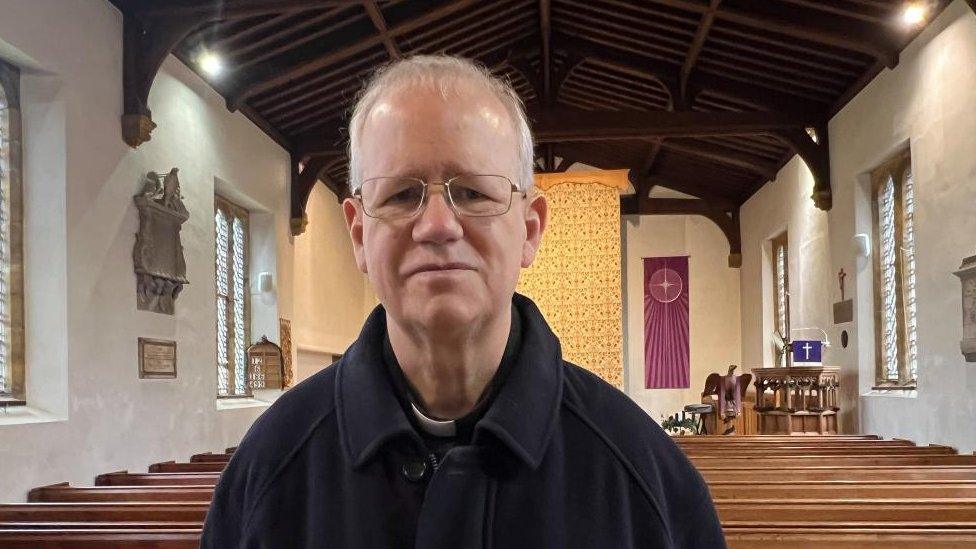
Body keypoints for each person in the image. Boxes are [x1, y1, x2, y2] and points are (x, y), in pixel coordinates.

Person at [201, 54, 724, 548]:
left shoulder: (646, 476)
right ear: (359, 234)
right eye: (402, 194)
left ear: (529, 228)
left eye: (473, 192)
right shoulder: (269, 468)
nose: (436, 225)